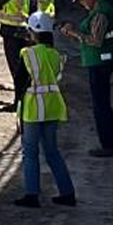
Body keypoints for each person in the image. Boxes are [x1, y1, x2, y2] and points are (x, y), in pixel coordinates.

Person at [15, 11, 78, 207]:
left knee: (30, 152)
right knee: (52, 152)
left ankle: (32, 195)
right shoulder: (56, 55)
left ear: (33, 32)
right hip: (53, 106)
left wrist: (17, 109)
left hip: (33, 109)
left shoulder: (27, 53)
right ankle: (67, 193)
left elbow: (20, 83)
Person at [61, 0, 113, 156]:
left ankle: (111, 145)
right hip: (99, 62)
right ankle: (111, 143)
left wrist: (73, 33)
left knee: (101, 106)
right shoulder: (98, 11)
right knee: (101, 105)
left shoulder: (101, 13)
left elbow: (96, 41)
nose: (81, 3)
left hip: (100, 63)